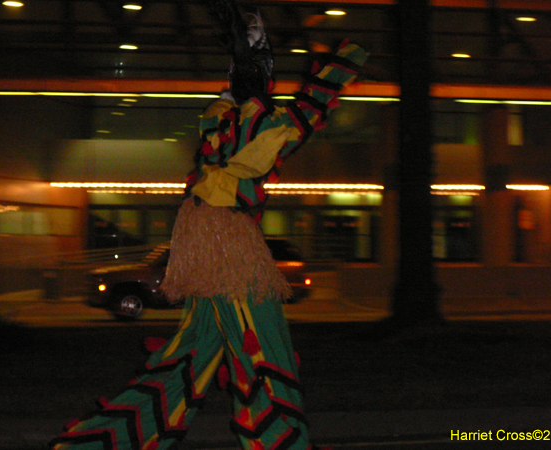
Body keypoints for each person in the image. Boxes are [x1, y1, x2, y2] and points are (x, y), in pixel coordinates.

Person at [49, 1, 367, 449]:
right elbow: (307, 112)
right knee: (263, 352)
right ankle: (282, 442)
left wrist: (256, 61)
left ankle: (107, 441)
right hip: (228, 242)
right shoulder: (262, 124)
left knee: (194, 354)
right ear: (264, 81)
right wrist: (342, 64)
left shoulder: (217, 120)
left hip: (201, 240)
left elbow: (241, 121)